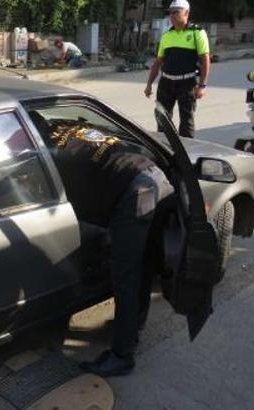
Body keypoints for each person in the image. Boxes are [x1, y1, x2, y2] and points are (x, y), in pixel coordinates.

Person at [29, 113, 174, 377]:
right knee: (143, 264)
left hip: (134, 193)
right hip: (155, 177)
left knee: (125, 274)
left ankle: (122, 356)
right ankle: (132, 327)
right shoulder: (68, 126)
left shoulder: (47, 154)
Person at [144, 0, 210, 138]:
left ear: (186, 13)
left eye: (176, 12)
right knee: (162, 120)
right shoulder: (167, 35)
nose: (172, 16)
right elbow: (158, 62)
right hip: (166, 83)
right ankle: (165, 150)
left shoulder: (197, 33)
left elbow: (205, 60)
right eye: (170, 13)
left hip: (187, 84)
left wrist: (202, 85)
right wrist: (149, 84)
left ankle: (187, 154)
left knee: (186, 122)